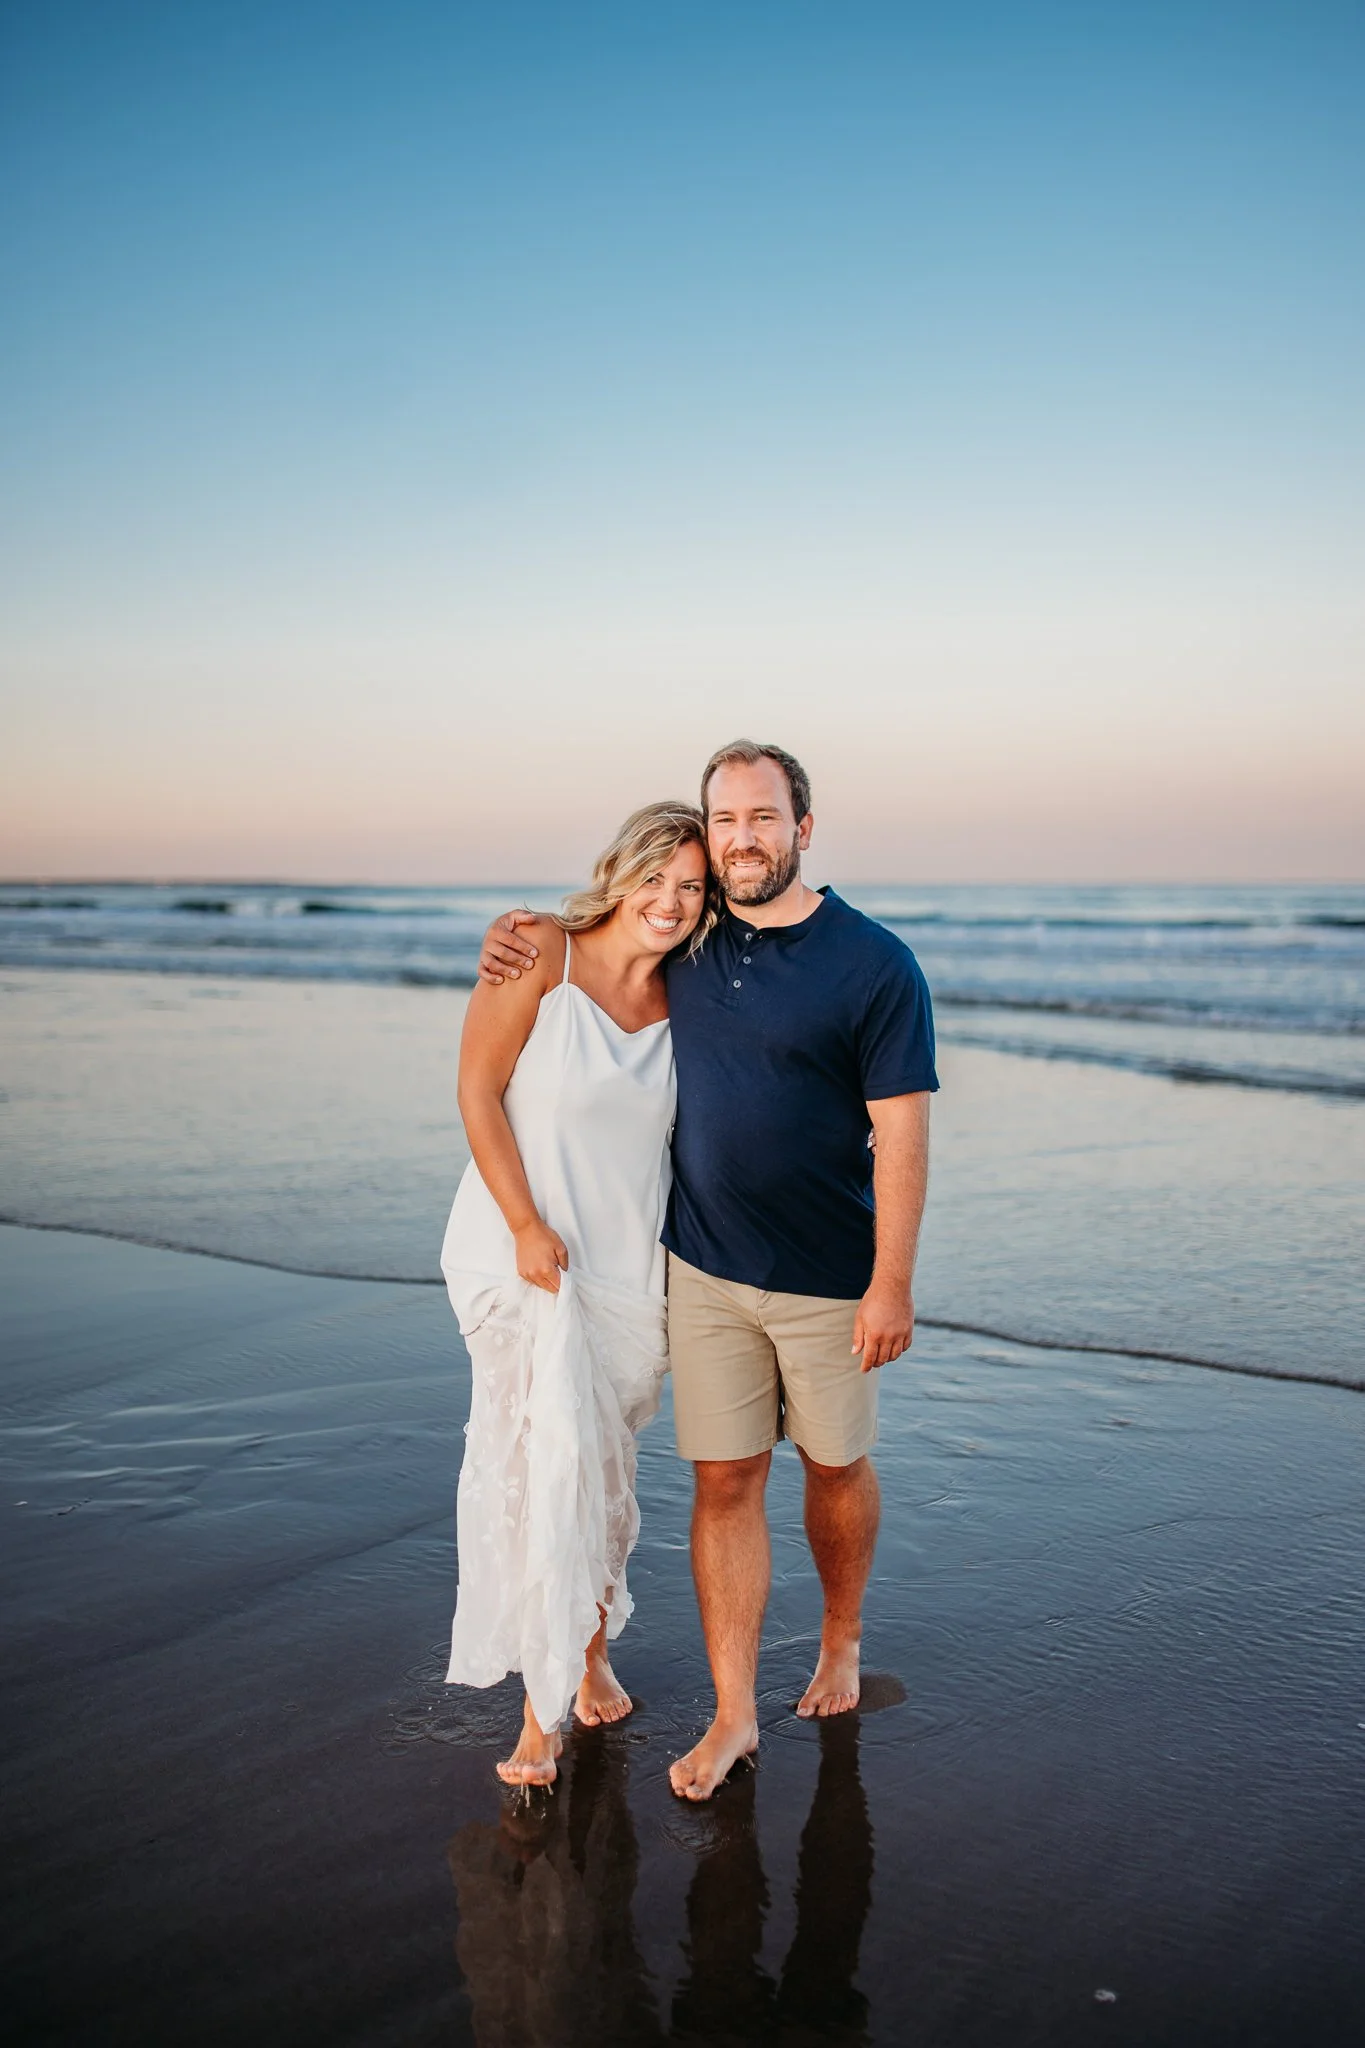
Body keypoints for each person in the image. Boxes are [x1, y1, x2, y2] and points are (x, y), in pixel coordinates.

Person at [478, 740, 938, 1800]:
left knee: (833, 1467)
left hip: (830, 1276)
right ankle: (735, 1714)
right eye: (725, 819)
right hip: (704, 1267)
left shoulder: (874, 963)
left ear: (803, 827)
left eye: (763, 818)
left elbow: (903, 1137)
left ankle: (840, 1638)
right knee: (725, 1480)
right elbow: (597, 937)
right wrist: (520, 931)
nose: (740, 839)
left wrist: (893, 1281)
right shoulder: (692, 933)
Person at [442, 801, 715, 1786]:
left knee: (603, 1476)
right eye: (658, 878)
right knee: (545, 1463)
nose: (672, 901)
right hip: (525, 1255)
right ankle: (538, 1710)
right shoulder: (540, 955)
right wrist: (523, 1221)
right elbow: (477, 1088)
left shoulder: (697, 994)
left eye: (693, 885)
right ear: (619, 871)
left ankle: (592, 1649)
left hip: (629, 1268)